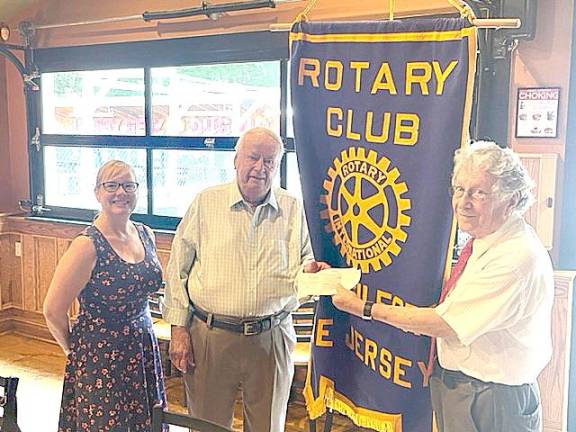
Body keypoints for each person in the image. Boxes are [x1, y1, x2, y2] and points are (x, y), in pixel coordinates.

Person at [331, 141, 554, 432]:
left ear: (511, 200)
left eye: (479, 193)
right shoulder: (486, 241)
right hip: (465, 388)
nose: (463, 202)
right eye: (459, 189)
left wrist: (363, 307)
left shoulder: (514, 258)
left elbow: (444, 323)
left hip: (491, 399)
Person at [163, 127, 329, 431]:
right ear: (236, 160)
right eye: (253, 157)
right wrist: (178, 329)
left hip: (272, 336)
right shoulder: (206, 203)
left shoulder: (292, 209)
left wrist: (310, 274)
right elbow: (178, 269)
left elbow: (304, 265)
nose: (260, 168)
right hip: (210, 335)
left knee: (268, 426)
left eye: (269, 161)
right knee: (206, 425)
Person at [43, 160, 167, 432]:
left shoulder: (146, 234)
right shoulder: (87, 245)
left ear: (137, 190)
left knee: (146, 422)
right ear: (97, 192)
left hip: (142, 348)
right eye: (111, 185)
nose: (120, 192)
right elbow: (52, 310)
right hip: (100, 356)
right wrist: (74, 352)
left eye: (128, 185)